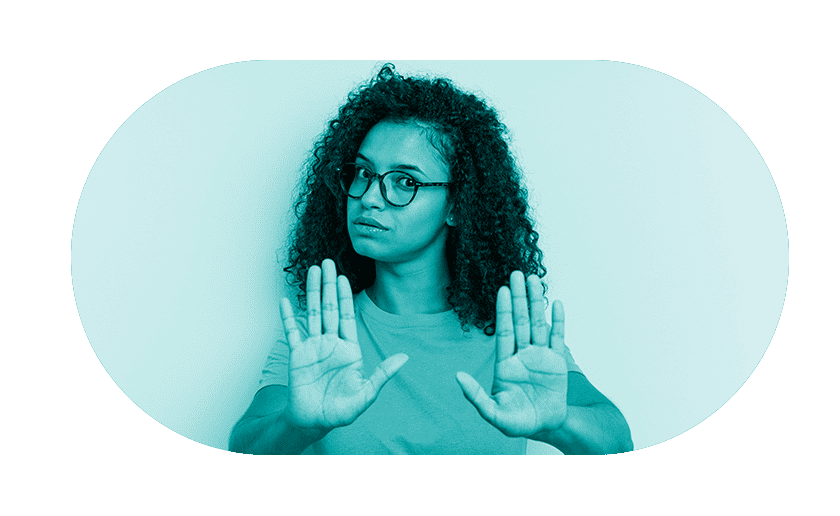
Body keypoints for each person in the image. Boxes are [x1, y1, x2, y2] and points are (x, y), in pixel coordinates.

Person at [229, 64, 633, 455]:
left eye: (405, 181)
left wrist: (556, 423)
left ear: (457, 204)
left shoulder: (512, 329)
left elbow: (616, 443)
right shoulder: (319, 332)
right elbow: (244, 449)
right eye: (363, 173)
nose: (369, 197)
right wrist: (300, 426)